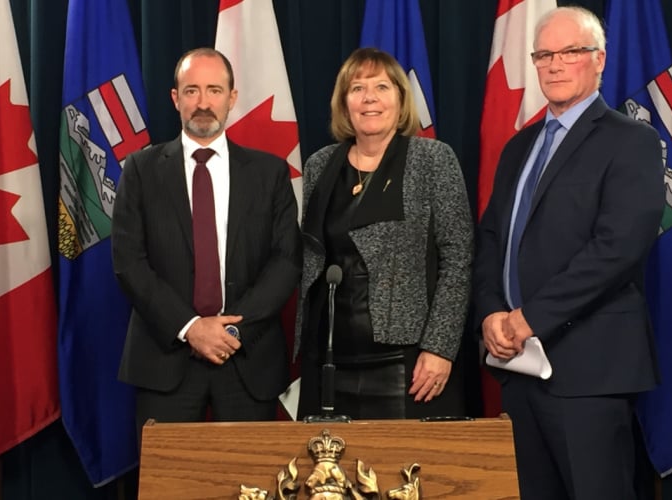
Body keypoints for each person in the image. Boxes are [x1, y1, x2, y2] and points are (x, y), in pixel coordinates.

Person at [473, 7, 664, 500]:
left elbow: (617, 249)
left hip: (589, 373)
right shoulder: (518, 147)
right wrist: (493, 312)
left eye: (571, 53)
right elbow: (493, 238)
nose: (554, 65)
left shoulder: (633, 141)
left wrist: (528, 319)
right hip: (518, 371)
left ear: (598, 60)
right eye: (543, 55)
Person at [111, 48, 302, 433]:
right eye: (192, 90)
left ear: (232, 98)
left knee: (253, 488)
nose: (203, 103)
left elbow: (286, 261)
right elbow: (129, 262)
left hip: (248, 358)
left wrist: (231, 331)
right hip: (165, 359)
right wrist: (191, 327)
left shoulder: (269, 173)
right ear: (175, 98)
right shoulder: (140, 170)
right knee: (167, 489)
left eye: (214, 90)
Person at [295, 48, 473, 420]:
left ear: (400, 98)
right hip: (328, 359)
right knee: (330, 478)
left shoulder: (433, 160)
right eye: (357, 88)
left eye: (382, 87)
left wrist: (440, 347)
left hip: (406, 362)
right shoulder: (319, 165)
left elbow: (458, 259)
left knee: (407, 475)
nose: (369, 98)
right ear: (344, 103)